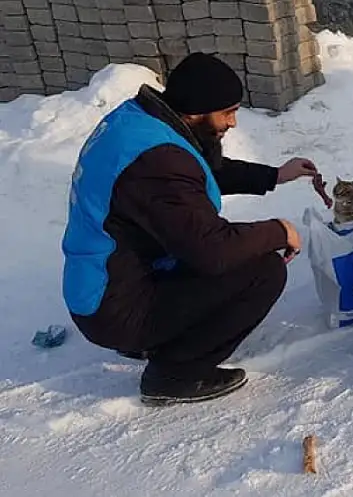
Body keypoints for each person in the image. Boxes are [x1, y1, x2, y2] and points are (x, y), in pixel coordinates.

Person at [61, 53, 319, 406]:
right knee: (262, 270)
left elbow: (195, 170)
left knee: (237, 250)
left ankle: (157, 340)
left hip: (109, 283)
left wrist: (273, 176)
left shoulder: (145, 123)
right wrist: (278, 230)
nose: (233, 123)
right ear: (197, 111)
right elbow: (213, 251)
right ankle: (175, 373)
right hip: (115, 308)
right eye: (228, 112)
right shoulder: (158, 163)